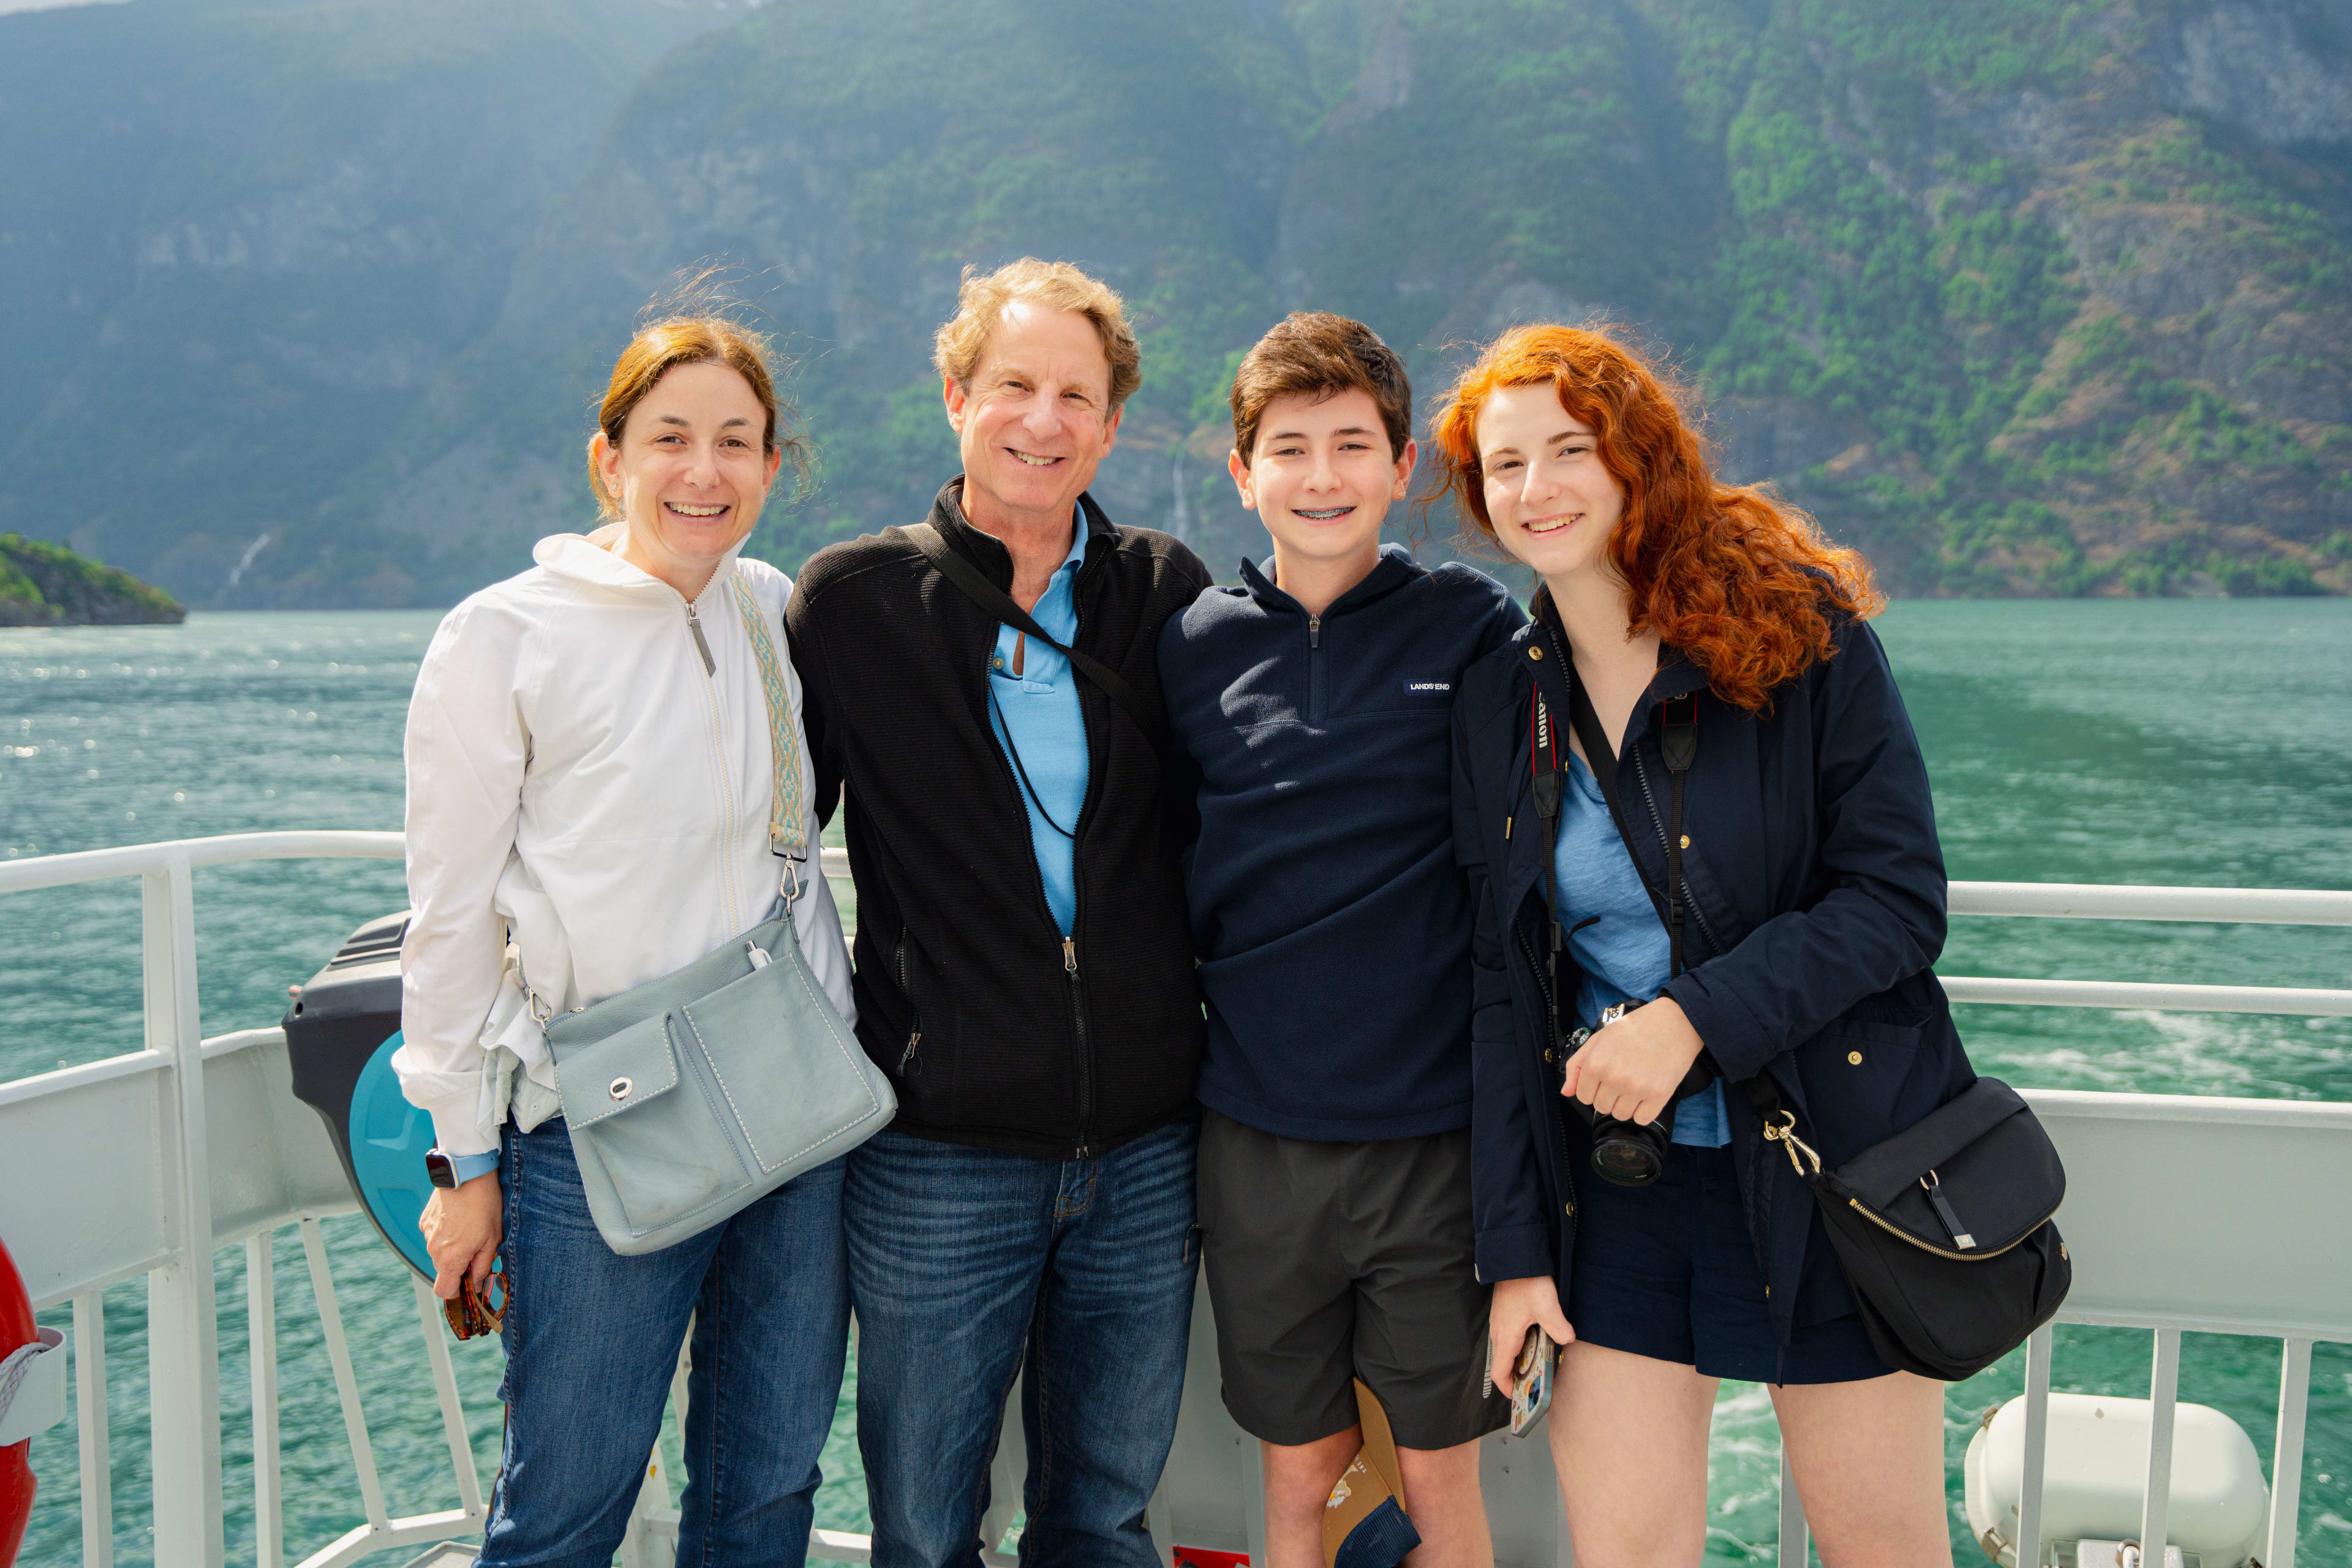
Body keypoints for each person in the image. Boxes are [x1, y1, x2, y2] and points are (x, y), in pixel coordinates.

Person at [1438, 323, 1966, 1568]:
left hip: (1833, 1166)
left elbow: (1897, 898)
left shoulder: (1797, 629)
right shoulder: (1499, 699)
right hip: (1618, 1190)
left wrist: (1691, 1019)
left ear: (1637, 462)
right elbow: (1501, 985)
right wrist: (1515, 1252)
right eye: (1504, 466)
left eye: (1570, 448)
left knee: (1884, 1548)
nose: (1536, 487)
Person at [396, 310, 858, 1567]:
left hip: (791, 1113)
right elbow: (448, 920)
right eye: (669, 438)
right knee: (565, 1506)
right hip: (602, 1122)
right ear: (609, 459)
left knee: (765, 1488)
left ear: (773, 464)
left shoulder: (769, 605)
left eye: (735, 441)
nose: (701, 472)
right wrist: (462, 1161)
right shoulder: (505, 636)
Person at [785, 258, 1213, 1568]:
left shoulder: (1165, 589)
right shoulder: (853, 603)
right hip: (937, 1149)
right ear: (958, 398)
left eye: (1077, 394)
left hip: (1145, 1143)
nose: (1045, 418)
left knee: (1104, 1512)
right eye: (1016, 384)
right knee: (923, 1525)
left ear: (1113, 424)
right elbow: (762, 846)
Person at [1158, 312, 1523, 1568]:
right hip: (1256, 1128)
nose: (1323, 477)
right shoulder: (1195, 644)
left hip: (1434, 1134)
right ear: (1242, 469)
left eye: (1352, 445)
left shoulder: (1472, 626)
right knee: (1301, 1469)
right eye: (1292, 447)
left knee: (1435, 1470)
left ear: (1404, 463)